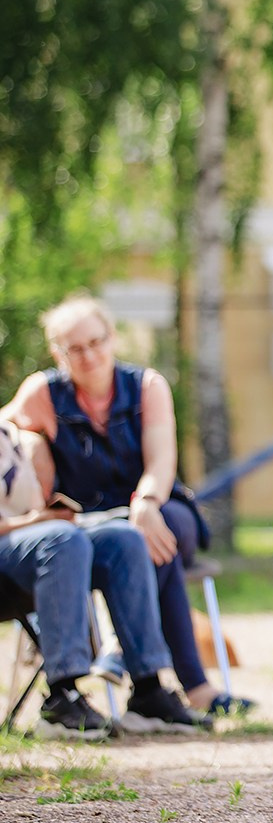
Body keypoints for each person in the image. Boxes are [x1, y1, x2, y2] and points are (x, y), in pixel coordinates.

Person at [2, 294, 240, 723]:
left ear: (112, 339)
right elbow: (7, 437)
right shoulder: (45, 392)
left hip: (154, 504)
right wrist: (34, 444)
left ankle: (128, 659)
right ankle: (180, 686)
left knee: (156, 531)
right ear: (59, 353)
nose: (89, 354)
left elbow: (162, 461)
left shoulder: (145, 386)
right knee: (116, 540)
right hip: (84, 523)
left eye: (96, 341)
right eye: (75, 348)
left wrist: (145, 503)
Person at [0, 412, 201, 736]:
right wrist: (36, 522)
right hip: (14, 552)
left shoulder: (10, 433)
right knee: (62, 539)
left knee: (124, 539)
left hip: (33, 543)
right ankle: (62, 697)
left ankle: (148, 689)